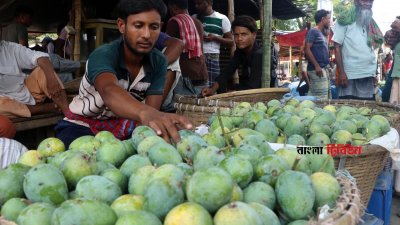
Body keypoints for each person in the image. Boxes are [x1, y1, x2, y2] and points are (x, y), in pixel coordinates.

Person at [55, 0, 192, 148]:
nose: (146, 35)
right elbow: (109, 91)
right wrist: (148, 113)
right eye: (138, 26)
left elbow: (151, 111)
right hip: (82, 125)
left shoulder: (159, 61)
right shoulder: (104, 54)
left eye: (154, 27)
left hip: (126, 128)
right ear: (122, 26)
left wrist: (153, 118)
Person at [0, 40, 69, 119]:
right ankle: (45, 108)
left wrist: (51, 79)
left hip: (29, 92)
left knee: (43, 70)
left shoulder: (10, 48)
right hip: (6, 104)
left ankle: (68, 112)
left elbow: (41, 58)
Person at [333, 0, 383, 100]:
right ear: (356, 1)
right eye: (365, 0)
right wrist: (342, 73)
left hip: (368, 73)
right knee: (348, 109)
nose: (369, 3)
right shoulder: (344, 19)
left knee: (366, 110)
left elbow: (371, 49)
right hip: (349, 74)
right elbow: (337, 47)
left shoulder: (369, 21)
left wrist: (374, 73)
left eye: (371, 1)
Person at [201, 15, 262, 96]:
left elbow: (254, 86)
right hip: (247, 89)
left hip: (259, 93)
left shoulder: (259, 54)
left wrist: (234, 93)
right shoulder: (240, 51)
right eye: (236, 35)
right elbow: (227, 71)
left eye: (244, 34)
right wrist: (212, 90)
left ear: (254, 35)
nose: (239, 38)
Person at [166, 0, 208, 98]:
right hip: (201, 71)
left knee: (181, 107)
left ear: (173, 7)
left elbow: (167, 48)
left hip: (184, 73)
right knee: (199, 108)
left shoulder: (174, 21)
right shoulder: (197, 22)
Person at [193, 0, 234, 87]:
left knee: (211, 87)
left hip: (212, 57)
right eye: (195, 4)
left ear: (209, 3)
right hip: (195, 57)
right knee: (196, 87)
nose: (196, 6)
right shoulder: (194, 18)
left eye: (199, 3)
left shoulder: (222, 18)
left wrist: (215, 38)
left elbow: (231, 42)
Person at [304, 9, 331, 100]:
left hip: (322, 68)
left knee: (318, 95)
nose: (329, 20)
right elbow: (307, 49)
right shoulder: (313, 31)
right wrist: (316, 66)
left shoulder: (321, 33)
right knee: (320, 98)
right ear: (323, 19)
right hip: (316, 69)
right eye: (328, 18)